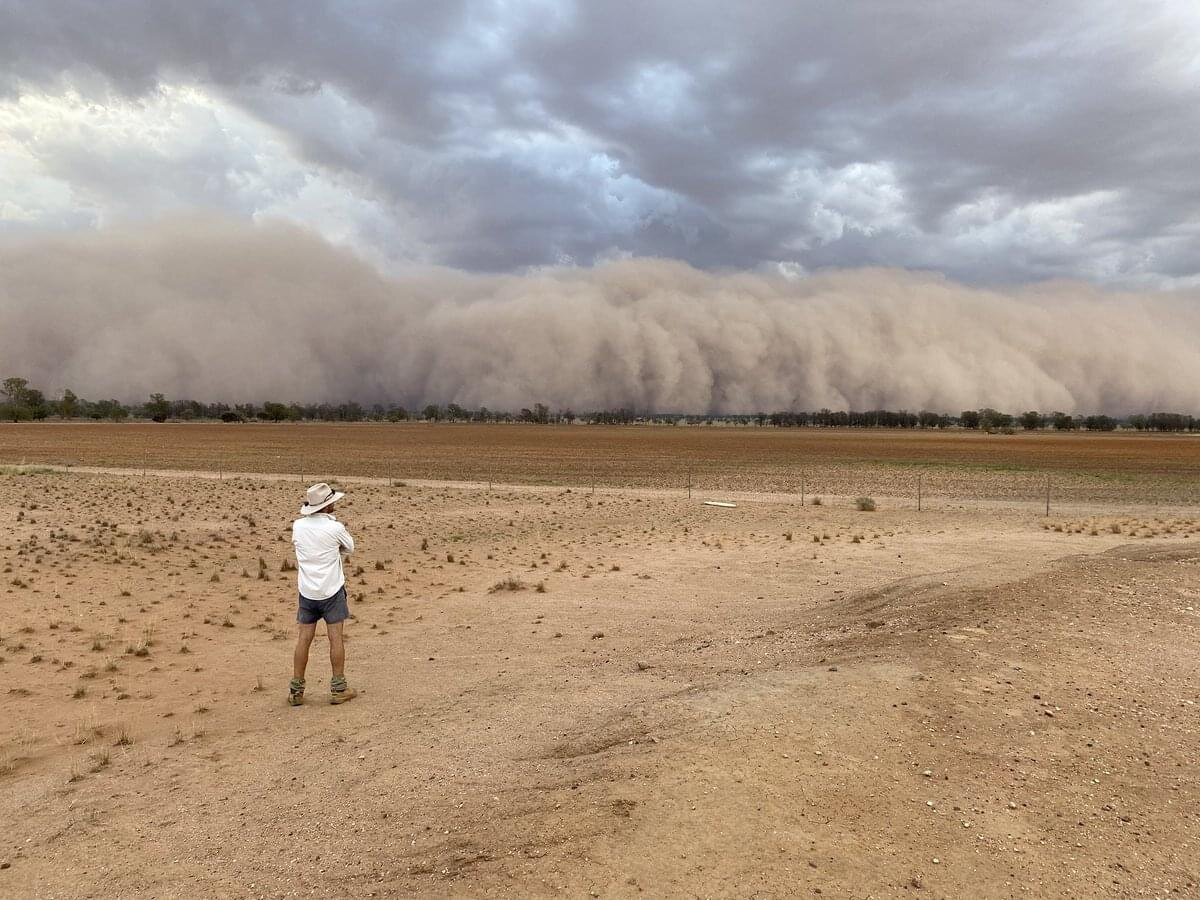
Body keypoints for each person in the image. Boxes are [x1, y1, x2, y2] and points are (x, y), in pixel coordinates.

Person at [288, 482, 357, 706]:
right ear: (327, 506)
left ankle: (296, 691)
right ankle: (339, 688)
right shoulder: (334, 528)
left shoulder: (298, 526)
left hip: (307, 591)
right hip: (331, 590)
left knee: (303, 639)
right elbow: (350, 547)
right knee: (335, 638)